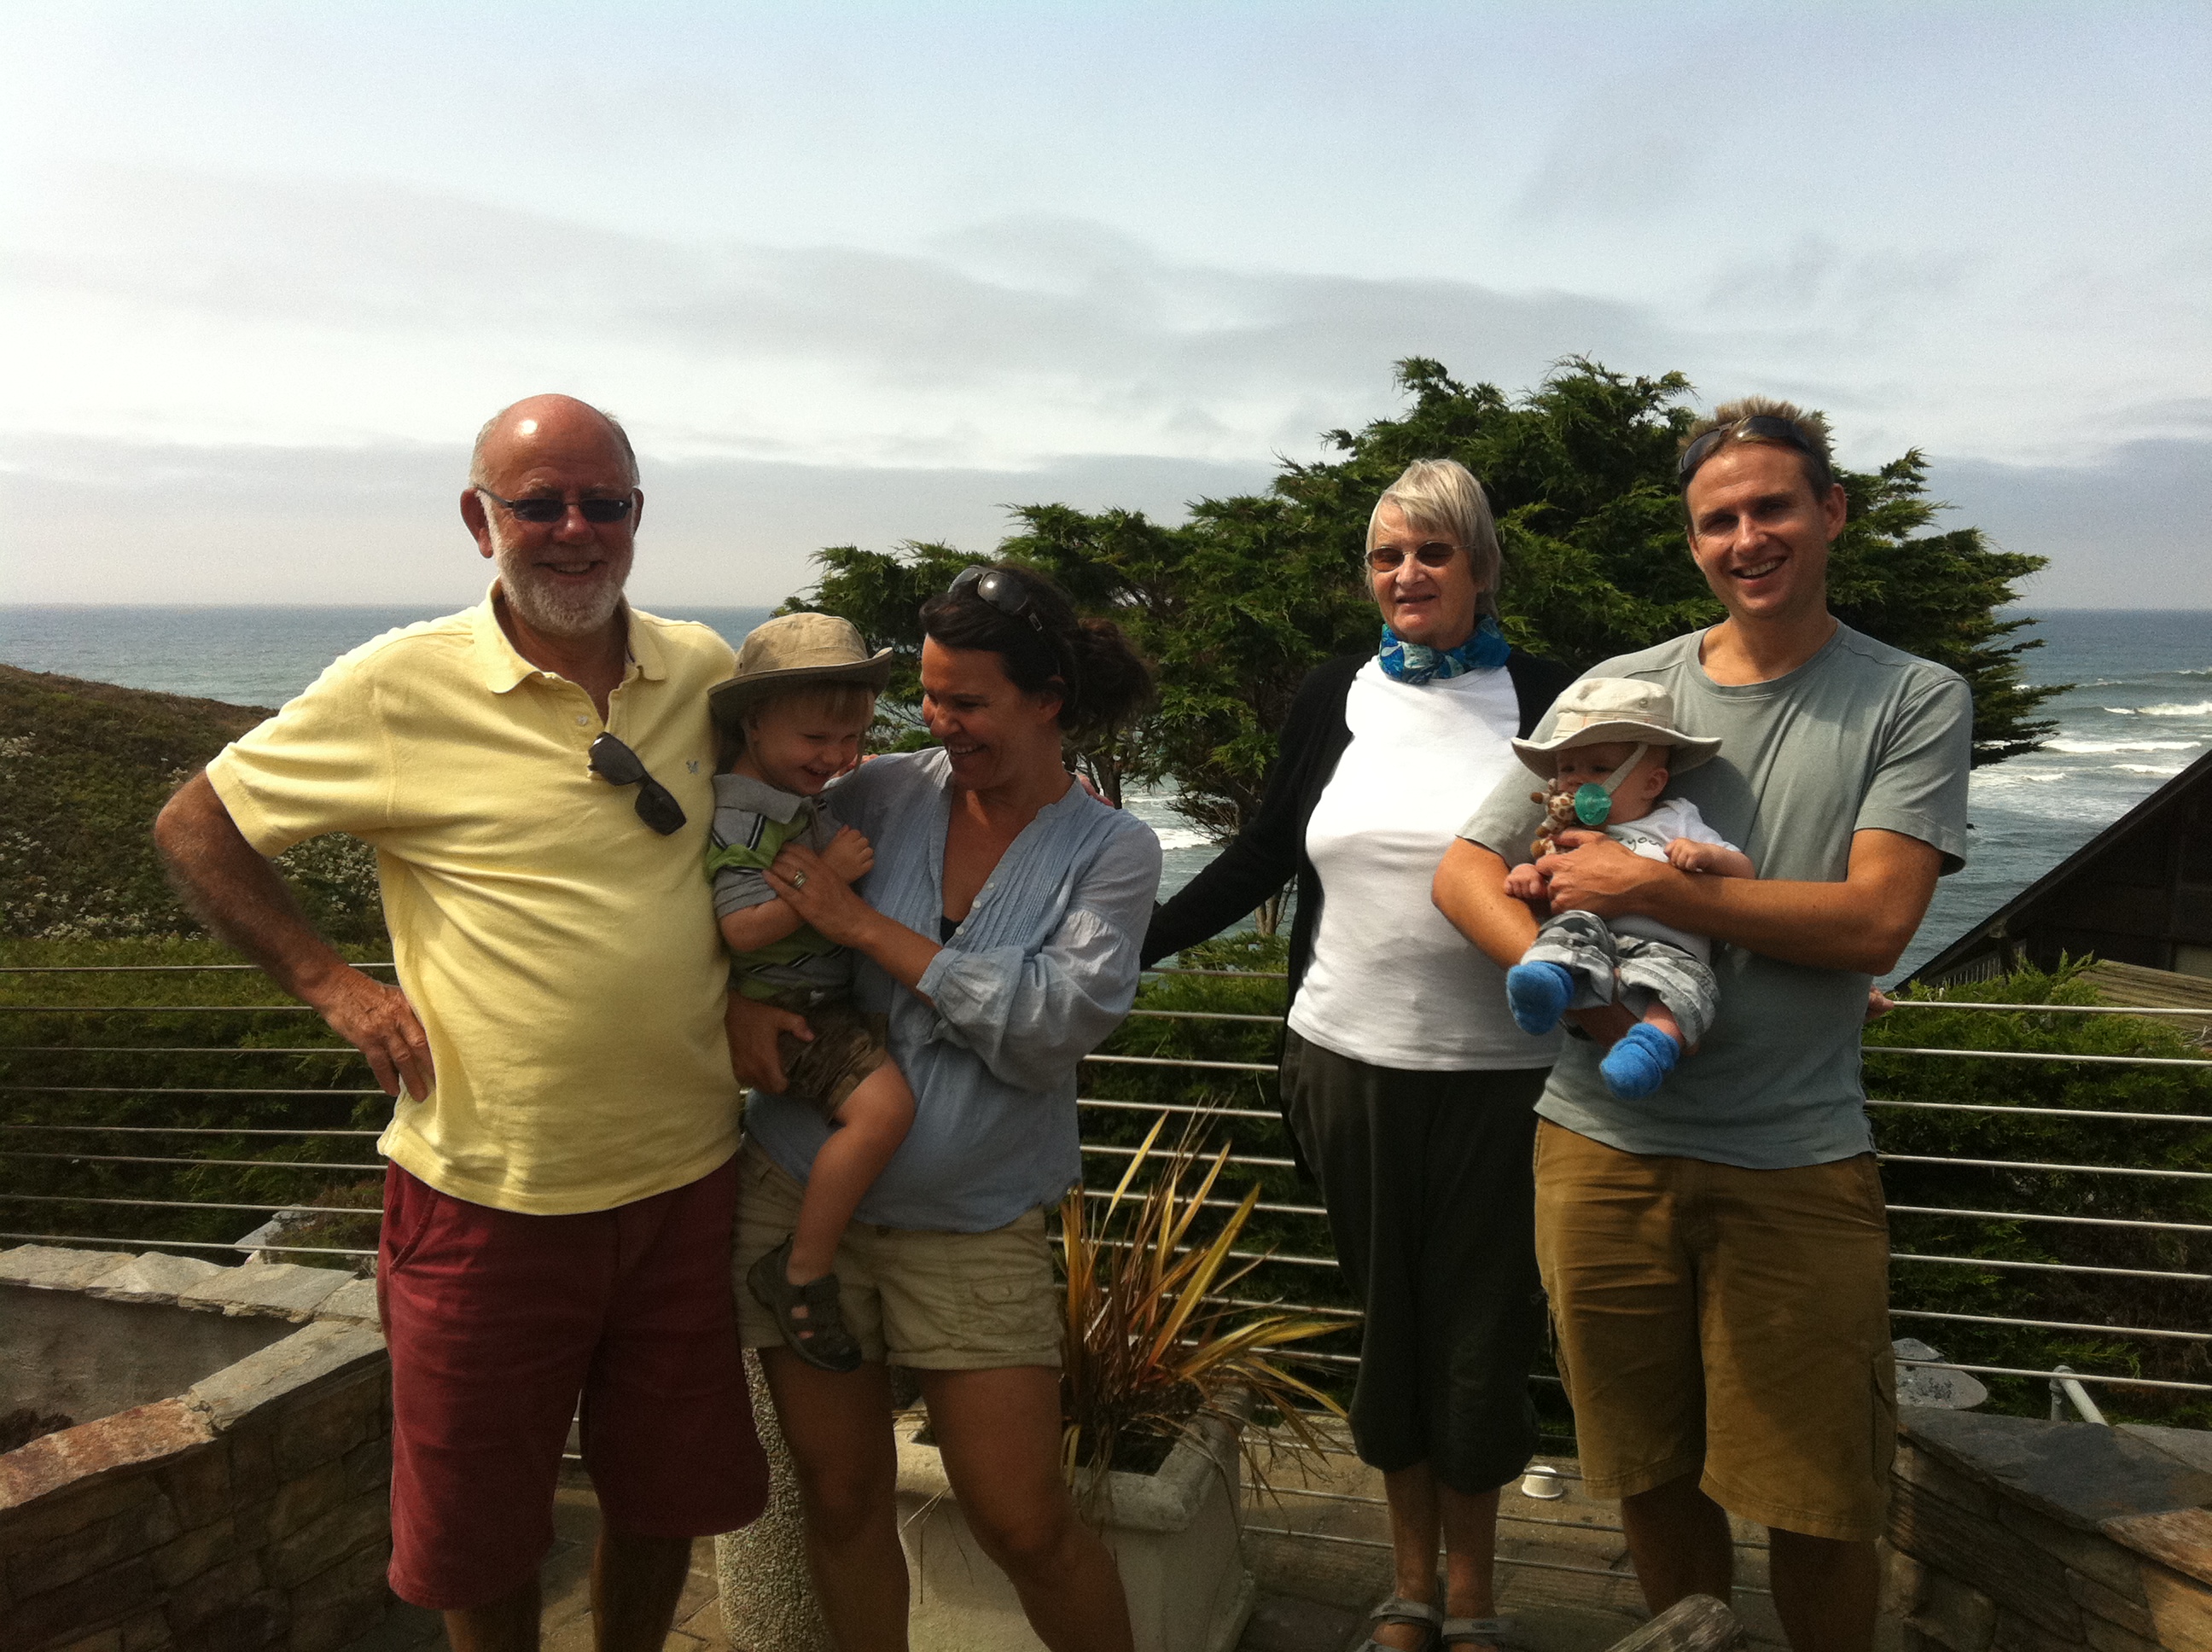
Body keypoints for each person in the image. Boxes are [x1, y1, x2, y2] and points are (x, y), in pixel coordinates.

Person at [152, 395, 767, 1652]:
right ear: (480, 521)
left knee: (665, 1497)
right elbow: (196, 825)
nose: (575, 529)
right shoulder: (400, 685)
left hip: (687, 1177)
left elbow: (774, 826)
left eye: (604, 502)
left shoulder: (704, 670)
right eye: (538, 504)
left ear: (638, 516)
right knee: (480, 1530)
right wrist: (335, 986)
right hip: (489, 1193)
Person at [1435, 399, 1971, 1652]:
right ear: (1693, 542)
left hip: (1794, 1158)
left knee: (1819, 1501)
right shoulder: (1621, 693)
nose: (1748, 538)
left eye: (1774, 507)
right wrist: (1584, 995)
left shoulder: (1911, 697)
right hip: (1599, 1145)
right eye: (1718, 520)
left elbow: (1876, 922)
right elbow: (1464, 873)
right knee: (1648, 1471)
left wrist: (1656, 891)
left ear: (1832, 512)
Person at [1142, 459, 1573, 1652]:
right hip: (1342, 1057)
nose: (1408, 573)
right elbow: (1263, 854)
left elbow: (1616, 850)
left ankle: (1474, 1594)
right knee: (1390, 1322)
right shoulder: (1336, 693)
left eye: (1434, 551)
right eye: (1388, 555)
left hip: (1509, 1075)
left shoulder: (1550, 698)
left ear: (1483, 567)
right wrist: (1128, 941)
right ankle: (1407, 1584)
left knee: (1483, 1329)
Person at [724, 562, 1160, 1652]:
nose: (936, 720)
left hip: (970, 1224)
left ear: (1047, 700)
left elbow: (1052, 1023)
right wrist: (731, 1002)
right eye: (927, 693)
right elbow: (726, 894)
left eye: (966, 700)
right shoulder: (875, 794)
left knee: (1026, 1522)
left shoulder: (1111, 850)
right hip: (798, 1196)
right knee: (840, 1500)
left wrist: (869, 929)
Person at [703, 612, 911, 1371]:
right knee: (885, 1112)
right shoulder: (741, 817)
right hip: (791, 1013)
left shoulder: (784, 794)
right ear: (754, 724)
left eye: (851, 740)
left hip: (813, 1002)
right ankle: (801, 1271)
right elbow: (741, 929)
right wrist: (831, 881)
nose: (837, 757)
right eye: (817, 740)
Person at [1499, 678, 1754, 1098]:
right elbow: (1550, 886)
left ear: (1652, 783)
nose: (1576, 782)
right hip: (1592, 946)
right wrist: (1528, 875)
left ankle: (1648, 1050)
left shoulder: (1675, 820)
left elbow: (1743, 872)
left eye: (1598, 769)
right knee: (1564, 933)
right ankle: (1545, 985)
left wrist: (1705, 854)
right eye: (1567, 769)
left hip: (1669, 950)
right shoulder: (1567, 833)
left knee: (1686, 989)